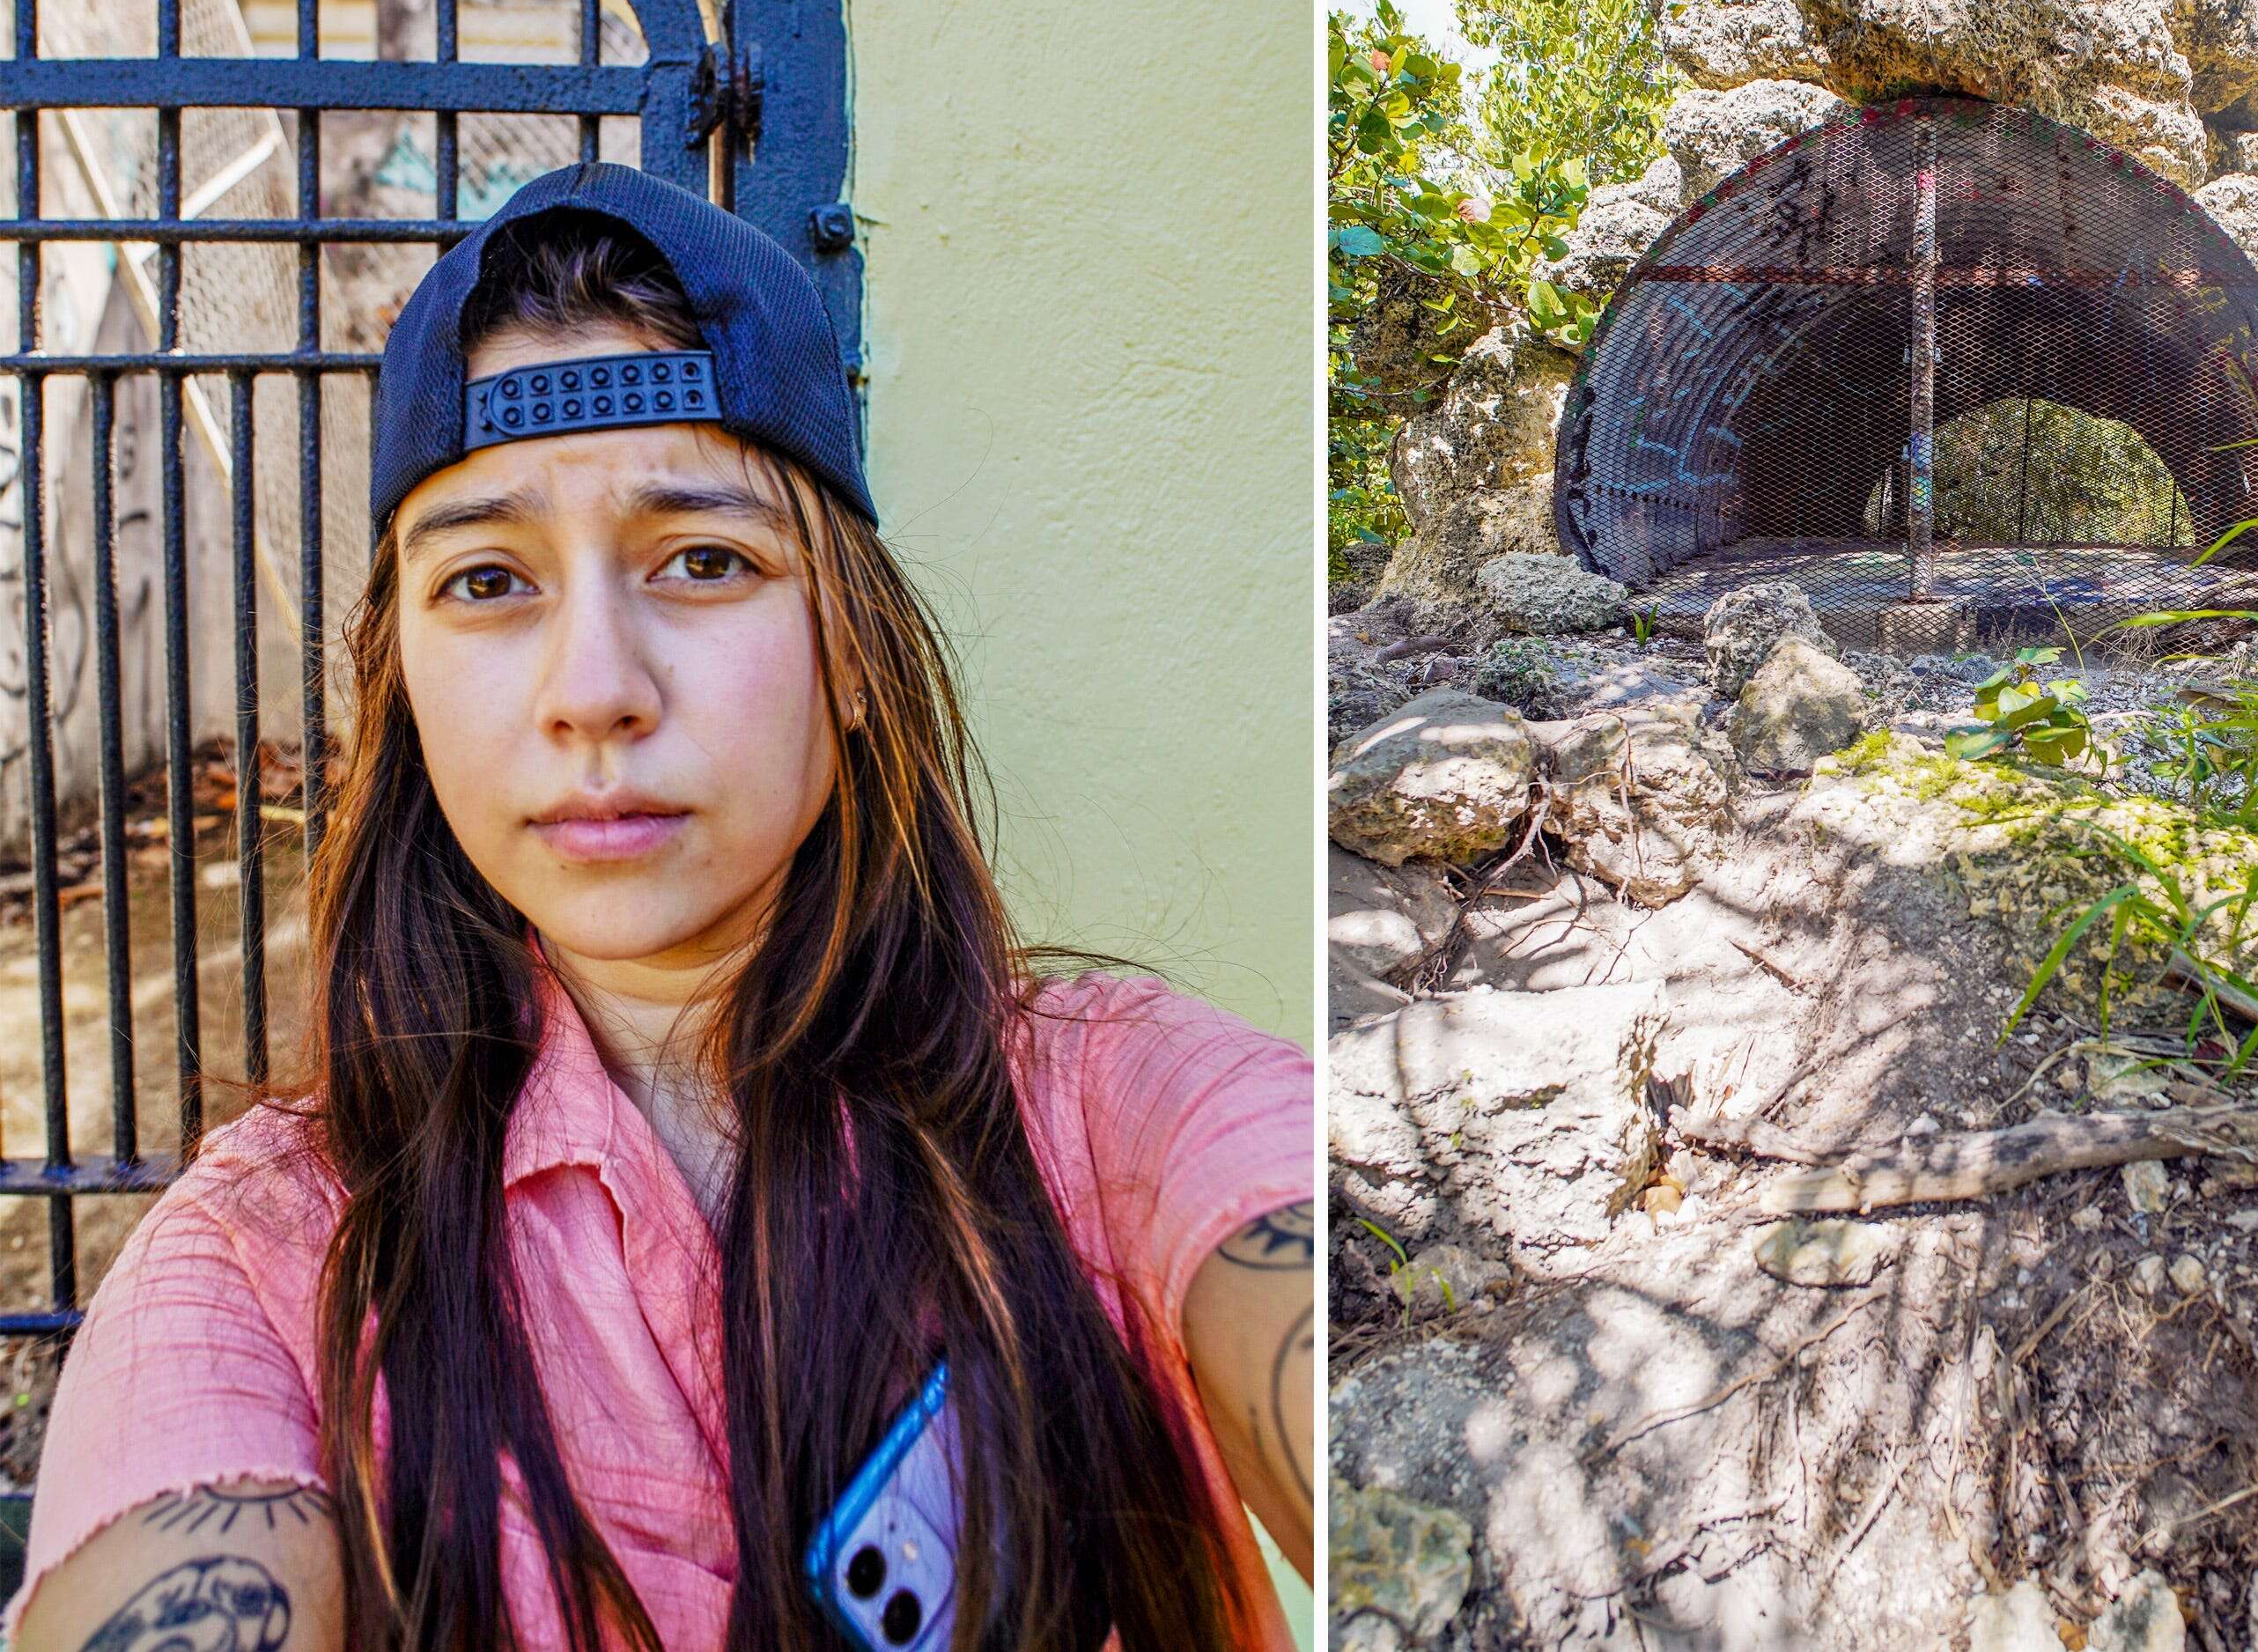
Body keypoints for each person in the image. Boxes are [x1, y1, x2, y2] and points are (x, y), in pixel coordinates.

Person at [2, 164, 1314, 1651]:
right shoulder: (259, 1268)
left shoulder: (1113, 1116)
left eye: (704, 560)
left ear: (858, 654)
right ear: (405, 683)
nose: (594, 692)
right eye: (490, 581)